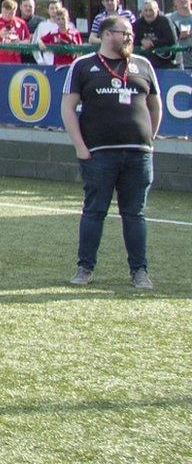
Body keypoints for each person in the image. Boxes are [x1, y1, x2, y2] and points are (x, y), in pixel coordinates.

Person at [62, 15, 159, 289]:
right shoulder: (83, 66)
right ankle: (84, 268)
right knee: (94, 211)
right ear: (106, 35)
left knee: (135, 214)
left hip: (138, 154)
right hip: (98, 154)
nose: (129, 36)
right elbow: (67, 108)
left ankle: (140, 271)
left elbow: (155, 105)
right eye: (123, 32)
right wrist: (80, 147)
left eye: (131, 32)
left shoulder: (143, 64)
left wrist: (149, 139)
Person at [135, 0, 178, 68]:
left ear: (157, 11)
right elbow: (134, 39)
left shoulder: (165, 21)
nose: (148, 13)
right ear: (142, 12)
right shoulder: (139, 23)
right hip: (147, 61)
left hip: (167, 60)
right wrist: (141, 41)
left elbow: (171, 40)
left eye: (151, 10)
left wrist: (152, 43)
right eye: (146, 10)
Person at [0, 0, 29, 64]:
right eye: (5, 12)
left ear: (15, 11)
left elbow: (28, 40)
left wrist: (19, 43)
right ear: (2, 10)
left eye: (11, 13)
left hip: (15, 62)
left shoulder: (21, 23)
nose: (8, 15)